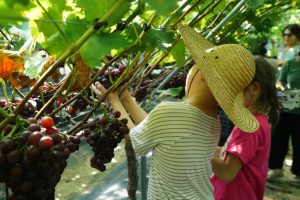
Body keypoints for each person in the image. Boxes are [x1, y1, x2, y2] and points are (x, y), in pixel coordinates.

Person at [93, 23, 260, 199]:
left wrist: (113, 101)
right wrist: (125, 97)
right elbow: (156, 128)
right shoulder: (213, 121)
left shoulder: (169, 112)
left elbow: (134, 140)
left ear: (202, 74)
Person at [210, 58, 279, 200]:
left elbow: (227, 173)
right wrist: (206, 145)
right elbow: (225, 154)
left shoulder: (248, 127)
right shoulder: (258, 120)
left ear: (254, 88)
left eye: (234, 88)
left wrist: (196, 149)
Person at [267, 46, 300, 186]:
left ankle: (297, 174)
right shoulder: (290, 63)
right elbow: (280, 81)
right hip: (286, 107)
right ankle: (276, 168)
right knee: (277, 138)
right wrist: (280, 87)